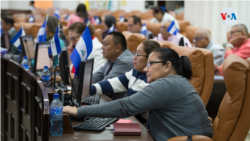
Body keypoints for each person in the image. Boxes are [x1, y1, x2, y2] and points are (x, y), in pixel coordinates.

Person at [63, 48, 213, 141]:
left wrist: (77, 111)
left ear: (167, 66)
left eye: (150, 64)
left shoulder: (166, 84)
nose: (146, 69)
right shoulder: (176, 82)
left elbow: (125, 106)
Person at [92, 32, 134, 99]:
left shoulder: (125, 62)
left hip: (118, 104)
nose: (102, 47)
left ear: (118, 47)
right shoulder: (112, 58)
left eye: (105, 44)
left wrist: (85, 89)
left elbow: (106, 88)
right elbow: (94, 78)